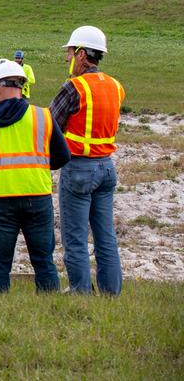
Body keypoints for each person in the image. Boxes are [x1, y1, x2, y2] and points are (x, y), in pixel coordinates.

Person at [0, 59, 69, 292]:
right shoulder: (42, 116)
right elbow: (63, 157)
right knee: (44, 262)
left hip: (1, 201)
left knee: (0, 264)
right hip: (37, 197)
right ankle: (51, 308)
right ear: (21, 86)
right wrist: (38, 166)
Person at [50, 25, 125, 295]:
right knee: (106, 237)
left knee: (76, 238)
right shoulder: (116, 86)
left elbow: (50, 127)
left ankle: (80, 292)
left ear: (82, 54)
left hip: (79, 168)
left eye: (70, 52)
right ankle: (111, 293)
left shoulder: (74, 87)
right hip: (107, 168)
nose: (67, 58)